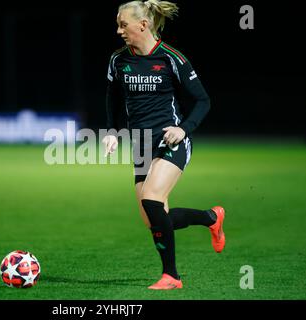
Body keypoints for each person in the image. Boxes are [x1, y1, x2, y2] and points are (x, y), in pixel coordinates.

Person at [102, 0, 226, 290]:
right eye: (118, 24)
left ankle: (172, 276)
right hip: (141, 145)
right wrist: (110, 131)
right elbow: (113, 99)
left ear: (142, 25)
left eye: (123, 24)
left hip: (172, 141)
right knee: (154, 220)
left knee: (152, 200)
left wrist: (183, 130)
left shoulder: (172, 58)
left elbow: (203, 100)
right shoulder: (118, 60)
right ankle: (211, 217)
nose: (119, 30)